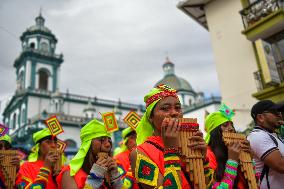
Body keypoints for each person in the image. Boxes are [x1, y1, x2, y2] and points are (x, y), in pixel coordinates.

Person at [130, 84, 207, 189]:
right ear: (151, 118)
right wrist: (171, 150)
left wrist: (204, 161)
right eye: (165, 108)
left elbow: (208, 185)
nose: (175, 113)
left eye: (178, 108)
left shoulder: (189, 144)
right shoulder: (140, 153)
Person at [57, 118, 122, 189]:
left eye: (109, 140)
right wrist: (95, 178)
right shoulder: (70, 173)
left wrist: (116, 179)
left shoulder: (108, 171)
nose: (108, 145)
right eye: (102, 140)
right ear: (88, 144)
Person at [204, 107, 256, 189]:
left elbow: (255, 182)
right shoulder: (208, 154)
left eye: (232, 124)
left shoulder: (235, 151)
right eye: (225, 125)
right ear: (215, 132)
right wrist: (232, 161)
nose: (231, 128)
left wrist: (251, 159)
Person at [247, 100, 284, 189]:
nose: (280, 115)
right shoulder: (258, 136)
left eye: (279, 112)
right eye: (275, 112)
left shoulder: (272, 135)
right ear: (261, 118)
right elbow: (281, 166)